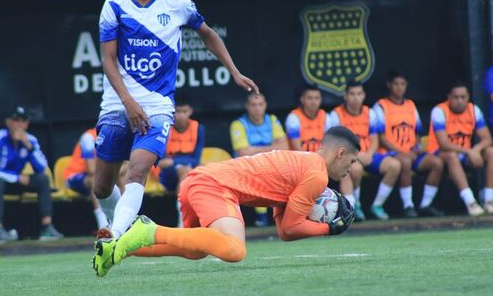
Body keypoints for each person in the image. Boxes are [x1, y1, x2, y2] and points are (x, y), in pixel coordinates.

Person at [91, 0, 257, 254]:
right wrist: (128, 102)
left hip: (157, 106)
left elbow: (208, 34)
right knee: (101, 186)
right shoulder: (114, 5)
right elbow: (108, 59)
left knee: (137, 170)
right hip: (117, 104)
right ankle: (124, 228)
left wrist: (234, 71)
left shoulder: (178, 5)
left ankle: (113, 236)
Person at [93, 126, 358, 277]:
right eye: (352, 160)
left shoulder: (304, 163)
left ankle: (117, 248)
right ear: (341, 152)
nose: (351, 167)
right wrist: (329, 227)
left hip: (198, 181)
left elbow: (283, 229)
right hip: (214, 186)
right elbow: (290, 229)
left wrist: (318, 223)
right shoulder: (316, 174)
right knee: (234, 250)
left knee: (194, 250)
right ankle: (148, 229)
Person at [0, 106, 64, 241]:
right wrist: (17, 177)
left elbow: (41, 167)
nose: (19, 124)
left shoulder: (30, 140)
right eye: (16, 120)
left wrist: (28, 146)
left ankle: (47, 227)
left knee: (42, 180)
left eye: (23, 121)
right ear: (8, 122)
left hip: (12, 183)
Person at [374, 72, 445, 217]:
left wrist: (416, 148)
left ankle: (426, 204)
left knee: (437, 163)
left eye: (402, 84)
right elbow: (381, 138)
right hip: (390, 153)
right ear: (389, 85)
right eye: (396, 84)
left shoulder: (411, 105)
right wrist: (403, 152)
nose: (399, 88)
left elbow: (418, 133)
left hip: (412, 152)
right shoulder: (381, 106)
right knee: (405, 162)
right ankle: (408, 205)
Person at [330, 81, 403, 220]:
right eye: (352, 94)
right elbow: (336, 142)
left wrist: (368, 155)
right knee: (355, 169)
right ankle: (356, 206)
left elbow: (375, 139)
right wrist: (356, 156)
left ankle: (377, 205)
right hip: (348, 156)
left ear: (364, 95)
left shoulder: (370, 112)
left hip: (368, 154)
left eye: (359, 94)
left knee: (395, 165)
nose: (355, 97)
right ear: (345, 96)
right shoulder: (336, 114)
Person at [427, 82, 493, 215]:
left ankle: (489, 200)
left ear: (468, 97)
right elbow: (444, 144)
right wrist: (470, 151)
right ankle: (470, 202)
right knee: (451, 155)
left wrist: (476, 150)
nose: (459, 101)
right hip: (439, 154)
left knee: (491, 152)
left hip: (465, 154)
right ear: (449, 97)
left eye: (463, 97)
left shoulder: (473, 110)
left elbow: (487, 138)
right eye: (456, 97)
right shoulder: (439, 111)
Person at [230, 92, 287, 226]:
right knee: (258, 173)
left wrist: (254, 149)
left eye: (260, 104)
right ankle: (261, 218)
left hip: (270, 165)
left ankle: (282, 217)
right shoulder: (238, 124)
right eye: (253, 105)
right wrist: (272, 147)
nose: (257, 108)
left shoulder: (272, 120)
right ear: (247, 106)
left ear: (265, 105)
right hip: (245, 167)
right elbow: (243, 152)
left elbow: (284, 146)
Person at [157, 95, 205, 227]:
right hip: (166, 176)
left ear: (190, 111)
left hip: (188, 170)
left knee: (189, 172)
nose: (180, 116)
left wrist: (174, 161)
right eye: (177, 111)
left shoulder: (198, 128)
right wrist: (178, 163)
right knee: (185, 172)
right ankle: (183, 222)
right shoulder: (165, 128)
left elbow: (196, 158)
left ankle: (188, 220)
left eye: (184, 112)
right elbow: (162, 161)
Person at [64, 128, 111, 232]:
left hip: (98, 174)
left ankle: (125, 221)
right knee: (96, 180)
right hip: (74, 176)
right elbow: (91, 169)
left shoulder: (115, 136)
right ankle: (103, 225)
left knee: (121, 176)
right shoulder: (88, 137)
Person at [285, 85, 332, 152]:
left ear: (321, 100)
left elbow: (329, 145)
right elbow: (297, 149)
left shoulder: (326, 117)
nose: (313, 102)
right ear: (302, 99)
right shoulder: (293, 118)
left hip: (320, 158)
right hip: (299, 159)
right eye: (309, 98)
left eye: (317, 98)